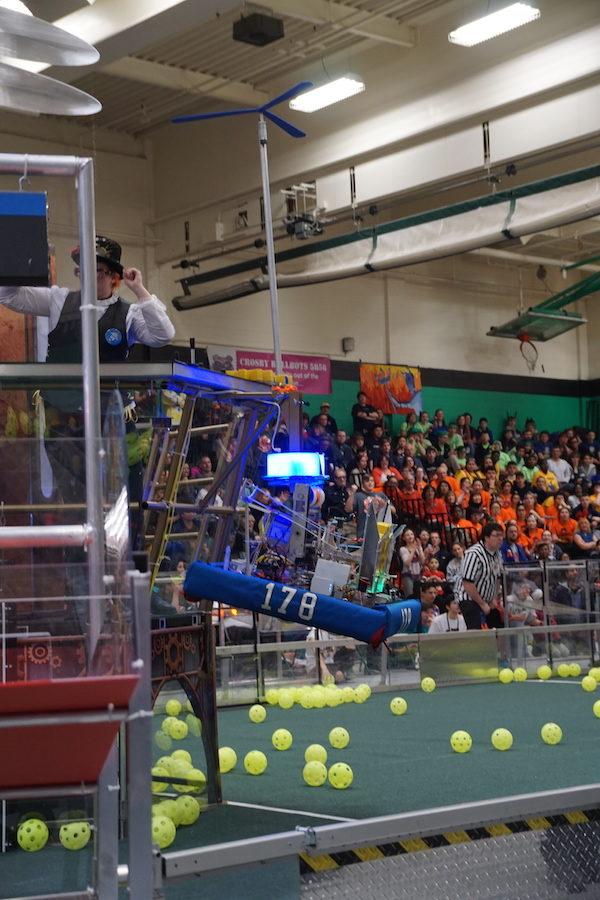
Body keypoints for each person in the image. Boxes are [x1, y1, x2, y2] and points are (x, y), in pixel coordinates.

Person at [0, 235, 175, 365]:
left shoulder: (129, 314)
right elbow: (8, 296)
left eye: (96, 270)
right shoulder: (59, 299)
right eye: (83, 269)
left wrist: (139, 290)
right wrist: (23, 260)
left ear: (112, 276)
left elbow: (163, 335)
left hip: (108, 408)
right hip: (60, 409)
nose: (87, 276)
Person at [457, 522, 504, 629]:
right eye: (497, 535)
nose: (500, 538)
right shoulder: (474, 553)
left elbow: (497, 578)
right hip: (470, 599)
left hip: (488, 599)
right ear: (486, 537)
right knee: (475, 630)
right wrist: (482, 604)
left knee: (499, 626)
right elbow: (467, 583)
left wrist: (494, 598)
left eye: (502, 535)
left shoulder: (497, 554)